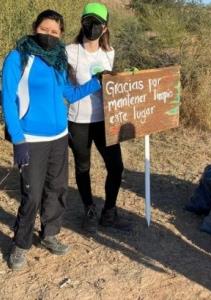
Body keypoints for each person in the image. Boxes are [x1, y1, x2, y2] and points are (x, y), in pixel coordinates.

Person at [1, 9, 102, 270]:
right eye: (44, 29)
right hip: (31, 139)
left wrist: (97, 82)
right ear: (35, 27)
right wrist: (18, 139)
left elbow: (67, 92)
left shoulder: (58, 58)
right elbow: (8, 101)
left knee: (56, 190)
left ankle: (50, 234)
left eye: (54, 32)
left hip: (59, 136)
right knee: (32, 194)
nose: (49, 35)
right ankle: (20, 244)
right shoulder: (18, 57)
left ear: (60, 35)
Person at [66, 3, 129, 233]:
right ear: (82, 21)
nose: (91, 26)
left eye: (97, 23)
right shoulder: (69, 52)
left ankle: (109, 212)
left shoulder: (108, 53)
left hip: (105, 121)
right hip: (78, 121)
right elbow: (65, 89)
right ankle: (89, 210)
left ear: (105, 28)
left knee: (116, 167)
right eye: (88, 20)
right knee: (83, 167)